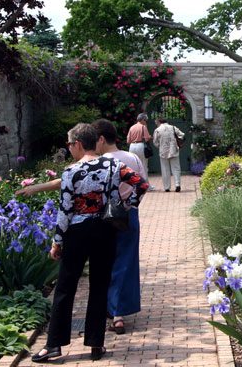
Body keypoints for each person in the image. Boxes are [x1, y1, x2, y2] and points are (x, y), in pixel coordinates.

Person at [31, 123, 148, 363]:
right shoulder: (114, 164)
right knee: (99, 285)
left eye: (69, 144)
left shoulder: (71, 171)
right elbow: (142, 184)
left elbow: (65, 210)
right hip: (106, 229)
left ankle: (53, 345)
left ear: (78, 144)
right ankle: (96, 342)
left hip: (77, 231)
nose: (69, 148)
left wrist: (57, 242)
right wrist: (127, 205)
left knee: (65, 287)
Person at [92, 119, 144, 335]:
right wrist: (130, 204)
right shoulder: (131, 158)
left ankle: (111, 310)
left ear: (101, 139)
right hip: (128, 215)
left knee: (104, 261)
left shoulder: (99, 161)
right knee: (125, 261)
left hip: (103, 216)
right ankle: (119, 312)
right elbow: (142, 183)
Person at [152, 118, 185, 192]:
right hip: (174, 150)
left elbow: (155, 142)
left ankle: (167, 187)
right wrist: (175, 142)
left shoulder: (157, 130)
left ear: (159, 122)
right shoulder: (173, 127)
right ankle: (177, 184)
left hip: (163, 151)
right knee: (176, 168)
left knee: (165, 169)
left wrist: (160, 146)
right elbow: (182, 135)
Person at [127, 113, 152, 180]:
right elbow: (147, 139)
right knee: (144, 166)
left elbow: (128, 140)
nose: (146, 122)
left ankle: (135, 183)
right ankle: (146, 185)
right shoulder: (143, 127)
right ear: (143, 120)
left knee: (134, 165)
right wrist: (149, 137)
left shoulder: (132, 127)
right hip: (140, 145)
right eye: (145, 120)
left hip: (132, 146)